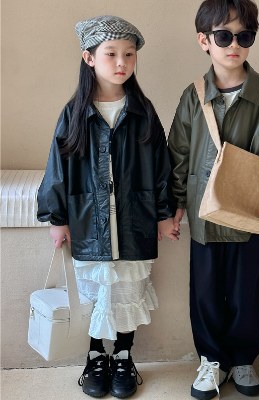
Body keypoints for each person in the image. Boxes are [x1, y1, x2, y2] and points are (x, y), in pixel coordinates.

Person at [37, 15, 179, 399]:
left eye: (129, 54)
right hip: (89, 224)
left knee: (128, 289)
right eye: (111, 53)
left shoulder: (142, 111)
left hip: (135, 222)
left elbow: (161, 167)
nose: (121, 62)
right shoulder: (74, 113)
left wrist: (164, 214)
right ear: (89, 58)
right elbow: (57, 169)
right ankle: (96, 356)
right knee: (95, 294)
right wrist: (56, 218)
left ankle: (124, 356)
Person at [168, 1, 259, 399]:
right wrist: (173, 205)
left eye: (244, 36)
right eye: (224, 36)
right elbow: (177, 154)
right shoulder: (193, 96)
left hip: (250, 212)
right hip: (204, 215)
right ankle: (211, 360)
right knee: (205, 291)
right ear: (204, 41)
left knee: (247, 290)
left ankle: (243, 359)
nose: (234, 45)